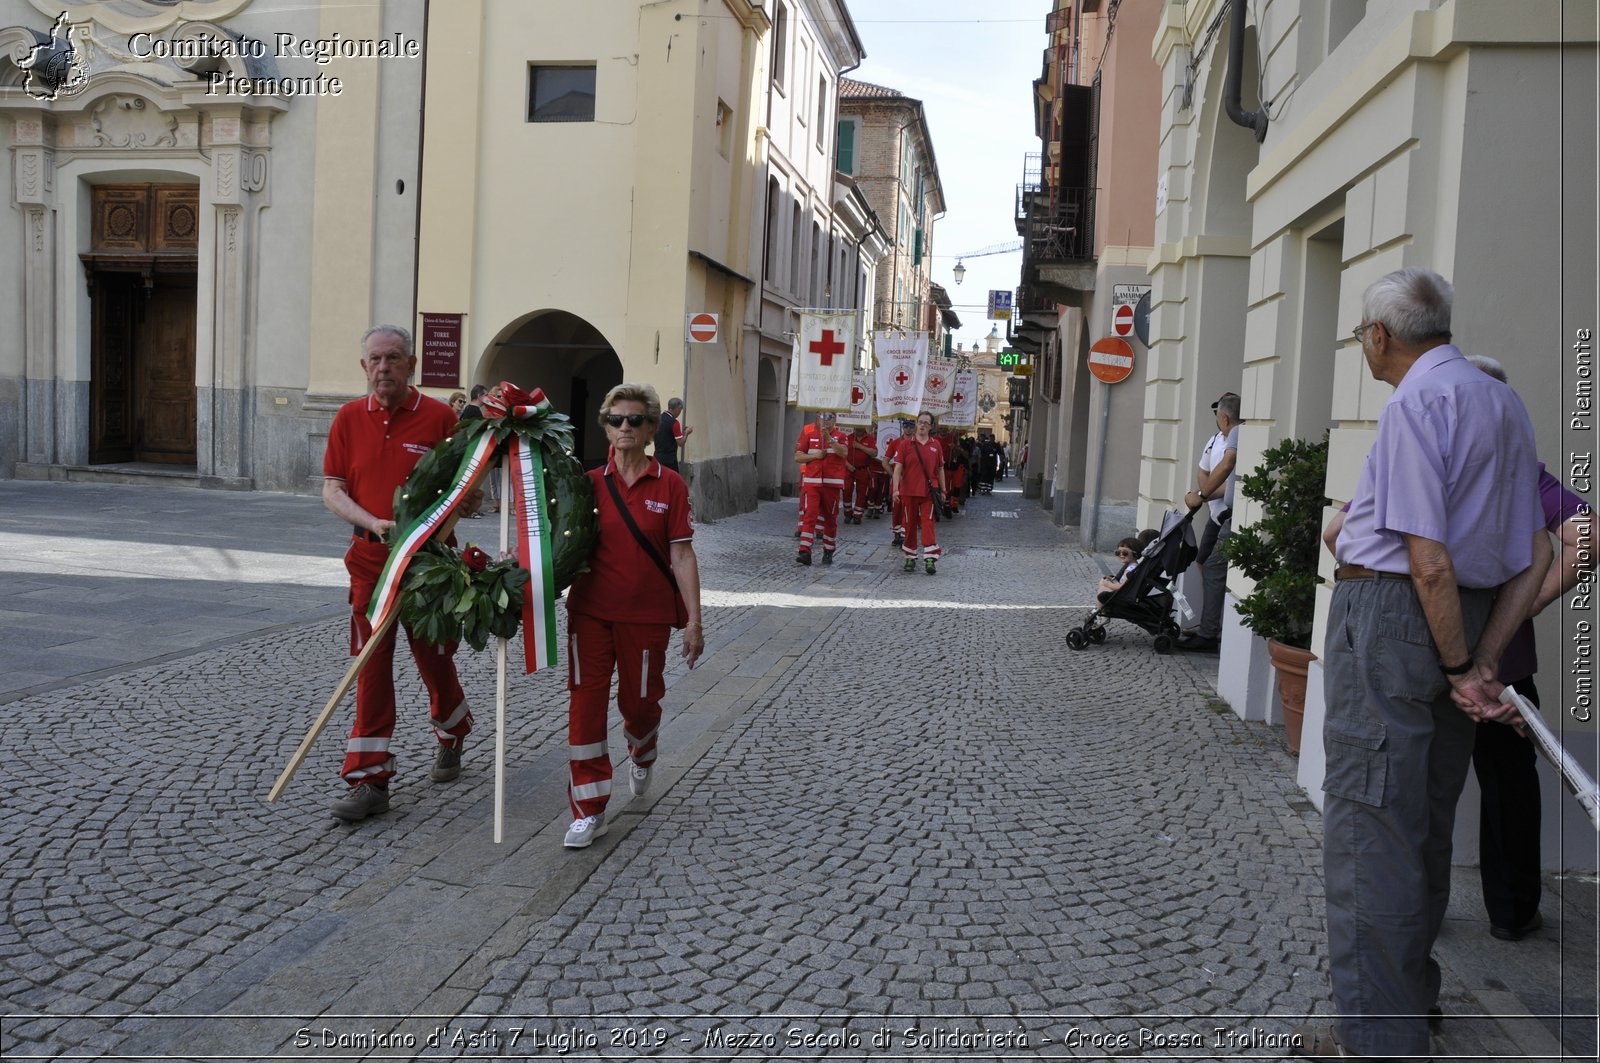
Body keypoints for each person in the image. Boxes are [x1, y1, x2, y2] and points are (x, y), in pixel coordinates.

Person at [1294, 268, 1548, 1062]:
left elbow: (1426, 558)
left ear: (1379, 336)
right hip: (1456, 622)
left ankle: (1378, 1040)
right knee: (1423, 825)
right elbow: (1536, 550)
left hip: (1398, 619)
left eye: (1361, 335)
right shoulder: (1502, 400)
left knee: (1373, 827)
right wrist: (1482, 659)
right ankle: (1409, 1009)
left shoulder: (1416, 401)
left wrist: (1461, 663)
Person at [320, 325, 476, 823]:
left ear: (411, 365)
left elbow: (466, 493)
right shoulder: (347, 418)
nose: (383, 367)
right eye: (374, 360)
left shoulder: (441, 417)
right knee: (371, 667)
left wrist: (464, 502)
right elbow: (333, 488)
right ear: (362, 367)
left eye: (393, 358)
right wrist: (373, 524)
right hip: (370, 565)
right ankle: (370, 780)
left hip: (430, 568)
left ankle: (454, 730)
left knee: (434, 659)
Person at [561, 383, 704, 849]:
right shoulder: (586, 484)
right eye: (617, 419)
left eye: (636, 420)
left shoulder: (670, 485)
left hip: (646, 617)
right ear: (605, 426)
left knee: (639, 704)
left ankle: (642, 747)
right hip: (590, 614)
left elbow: (682, 556)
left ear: (650, 429)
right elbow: (561, 545)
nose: (625, 427)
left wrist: (695, 620)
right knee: (585, 704)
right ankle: (589, 807)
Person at [1176, 392, 1242, 653]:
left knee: (1215, 567)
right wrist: (1202, 494)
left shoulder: (1237, 433)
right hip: (1218, 515)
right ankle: (1210, 623)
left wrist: (1201, 495)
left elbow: (1226, 468)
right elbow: (1207, 470)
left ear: (1224, 417)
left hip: (1229, 513)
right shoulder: (1217, 438)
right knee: (1204, 561)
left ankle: (1210, 632)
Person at [891, 411, 947, 575]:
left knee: (928, 523)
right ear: (916, 424)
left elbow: (941, 468)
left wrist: (943, 490)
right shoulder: (905, 445)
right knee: (909, 525)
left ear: (931, 427)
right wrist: (895, 490)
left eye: (926, 423)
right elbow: (898, 469)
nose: (922, 425)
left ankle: (930, 558)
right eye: (920, 422)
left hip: (929, 492)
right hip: (909, 491)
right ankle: (910, 556)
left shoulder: (935, 445)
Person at [793, 410, 848, 565]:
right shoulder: (809, 435)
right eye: (822, 417)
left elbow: (843, 453)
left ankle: (828, 550)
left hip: (832, 485)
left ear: (834, 419)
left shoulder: (841, 436)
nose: (825, 420)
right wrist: (814, 456)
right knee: (809, 515)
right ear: (818, 418)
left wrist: (829, 439)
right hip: (812, 483)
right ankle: (805, 551)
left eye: (829, 417)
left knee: (830, 518)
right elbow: (798, 456)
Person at [842, 422, 877, 525]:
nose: (858, 429)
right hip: (849, 469)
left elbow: (874, 453)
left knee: (862, 493)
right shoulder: (848, 438)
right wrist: (847, 465)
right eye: (856, 427)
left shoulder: (870, 438)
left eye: (860, 427)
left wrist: (859, 446)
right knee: (846, 490)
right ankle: (848, 513)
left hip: (863, 469)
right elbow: (842, 454)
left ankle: (858, 515)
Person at [1097, 537, 1143, 603]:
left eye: (1125, 552)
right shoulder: (1130, 566)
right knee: (1103, 581)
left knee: (1103, 588)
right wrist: (1114, 580)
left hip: (1123, 595)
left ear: (1135, 554)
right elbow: (1122, 583)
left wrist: (1108, 584)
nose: (1121, 554)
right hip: (1123, 592)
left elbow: (1121, 588)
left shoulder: (1131, 569)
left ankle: (1100, 610)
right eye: (1118, 552)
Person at [654, 396, 692, 473]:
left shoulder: (657, 419)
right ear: (677, 409)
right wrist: (687, 433)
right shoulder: (674, 423)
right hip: (670, 460)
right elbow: (680, 443)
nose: (679, 412)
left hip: (657, 457)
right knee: (673, 483)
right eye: (680, 410)